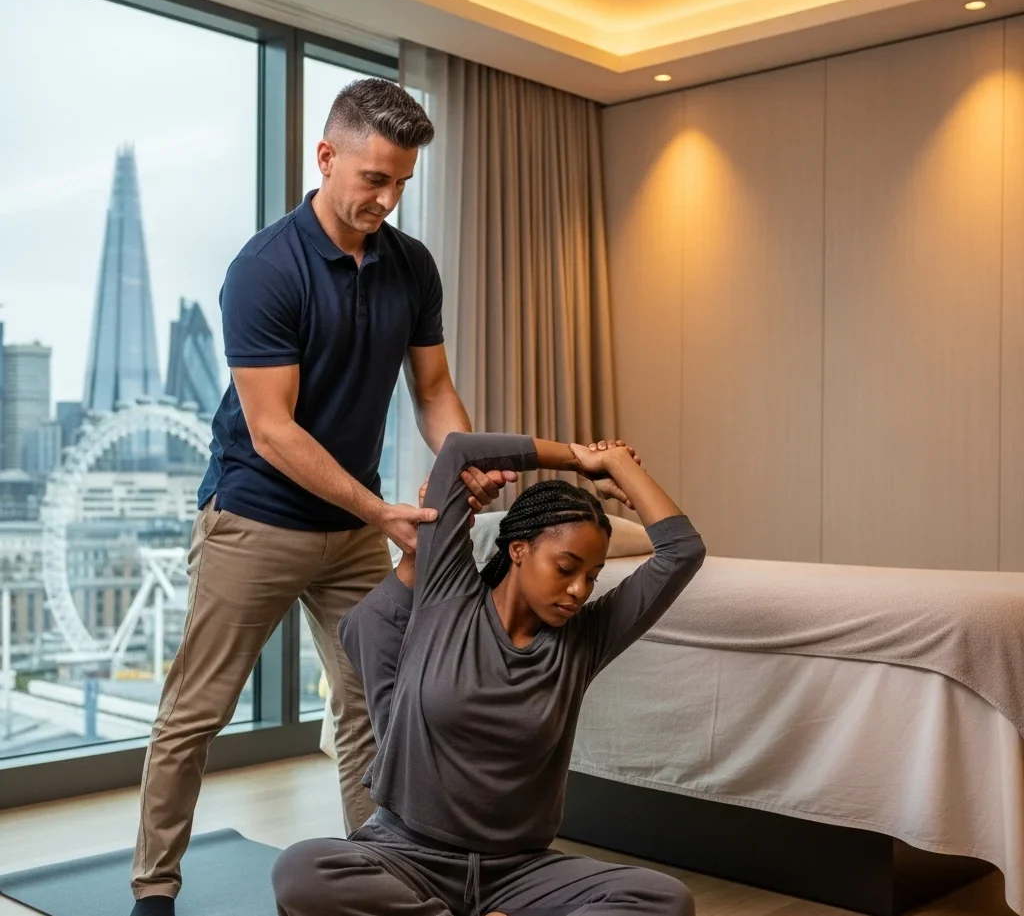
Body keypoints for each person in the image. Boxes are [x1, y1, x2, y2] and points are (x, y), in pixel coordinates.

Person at [129, 79, 514, 916]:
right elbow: (272, 430)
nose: (388, 198)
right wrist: (381, 513)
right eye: (374, 178)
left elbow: (435, 388)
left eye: (402, 183)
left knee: (369, 707)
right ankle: (154, 891)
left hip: (350, 529)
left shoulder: (411, 265)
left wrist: (467, 459)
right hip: (255, 518)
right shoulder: (266, 268)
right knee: (196, 713)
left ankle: (379, 873)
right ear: (327, 156)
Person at [271, 432, 707, 916]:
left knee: (664, 899)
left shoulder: (586, 639)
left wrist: (621, 465)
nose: (579, 588)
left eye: (593, 574)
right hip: (407, 855)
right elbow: (460, 452)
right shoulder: (447, 596)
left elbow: (680, 550)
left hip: (519, 872)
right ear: (518, 549)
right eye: (566, 567)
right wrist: (580, 460)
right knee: (302, 869)